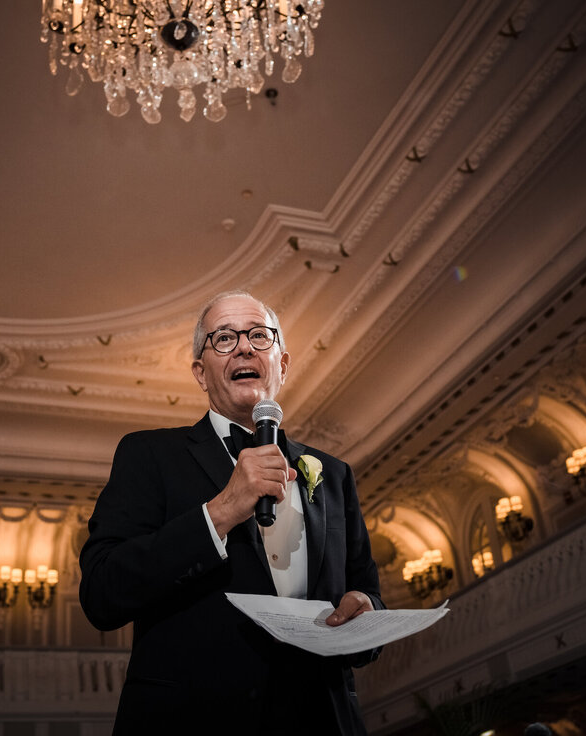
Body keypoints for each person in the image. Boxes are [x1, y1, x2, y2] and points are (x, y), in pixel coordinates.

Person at [79, 290, 383, 735]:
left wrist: (365, 609)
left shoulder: (333, 474)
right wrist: (220, 512)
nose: (244, 346)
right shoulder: (149, 454)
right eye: (224, 338)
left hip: (323, 719)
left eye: (260, 336)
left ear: (282, 364)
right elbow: (103, 594)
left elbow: (367, 589)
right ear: (201, 373)